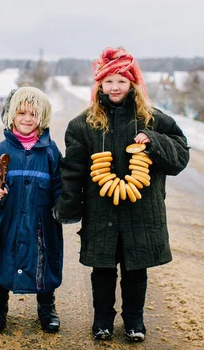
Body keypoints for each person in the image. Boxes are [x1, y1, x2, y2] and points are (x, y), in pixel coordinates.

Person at [54, 47, 190, 342]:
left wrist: (153, 141)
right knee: (102, 269)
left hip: (141, 211)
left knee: (135, 270)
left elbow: (180, 157)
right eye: (108, 81)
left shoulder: (154, 120)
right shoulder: (83, 125)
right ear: (99, 85)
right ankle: (102, 320)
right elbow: (72, 169)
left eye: (121, 81)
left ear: (133, 84)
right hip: (100, 211)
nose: (114, 87)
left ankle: (134, 322)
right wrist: (67, 206)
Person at [0, 86, 63, 333]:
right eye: (21, 112)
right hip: (7, 222)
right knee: (0, 261)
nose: (27, 119)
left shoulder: (50, 152)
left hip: (41, 224)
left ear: (41, 118)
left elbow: (60, 185)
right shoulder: (0, 149)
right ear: (12, 114)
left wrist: (64, 206)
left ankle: (47, 308)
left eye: (33, 114)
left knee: (44, 264)